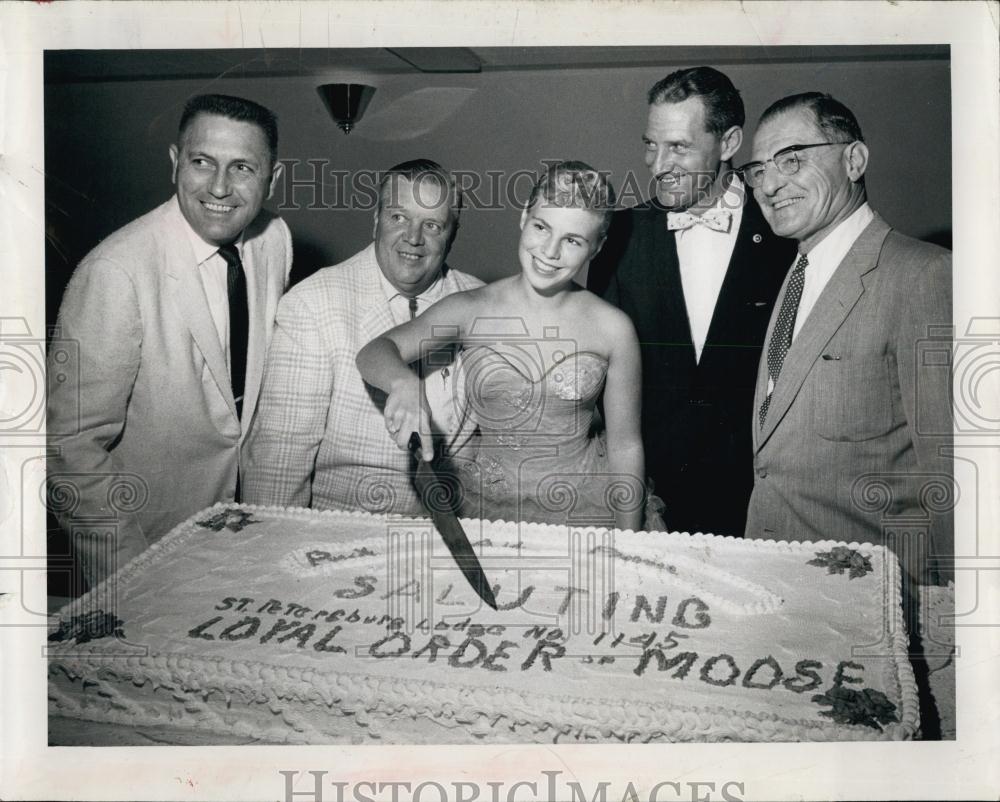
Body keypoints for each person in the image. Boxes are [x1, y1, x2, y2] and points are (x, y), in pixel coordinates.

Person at [47, 94, 292, 586]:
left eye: (242, 167)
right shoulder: (115, 271)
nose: (219, 187)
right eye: (202, 162)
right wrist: (131, 572)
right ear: (176, 163)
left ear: (272, 178)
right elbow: (68, 449)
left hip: (245, 540)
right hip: (147, 548)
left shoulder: (274, 239)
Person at [357, 161, 648, 532]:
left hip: (585, 512)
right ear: (524, 216)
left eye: (572, 240)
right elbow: (374, 351)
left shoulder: (614, 328)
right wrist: (403, 383)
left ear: (598, 246)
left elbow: (626, 448)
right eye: (542, 227)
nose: (550, 251)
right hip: (487, 509)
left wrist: (632, 545)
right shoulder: (472, 308)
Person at [742, 92, 953, 585]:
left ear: (854, 160)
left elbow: (956, 474)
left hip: (879, 602)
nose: (770, 184)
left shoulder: (923, 274)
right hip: (779, 588)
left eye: (791, 159)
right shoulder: (794, 275)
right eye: (757, 170)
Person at [587, 67, 797, 537]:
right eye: (650, 144)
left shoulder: (789, 237)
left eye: (678, 147)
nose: (657, 165)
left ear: (728, 143)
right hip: (651, 504)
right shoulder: (616, 237)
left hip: (761, 507)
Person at [242, 160, 483, 514]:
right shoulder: (314, 302)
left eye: (432, 225)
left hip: (454, 531)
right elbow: (279, 462)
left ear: (452, 235)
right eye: (399, 218)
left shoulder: (478, 300)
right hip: (341, 532)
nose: (413, 238)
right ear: (377, 218)